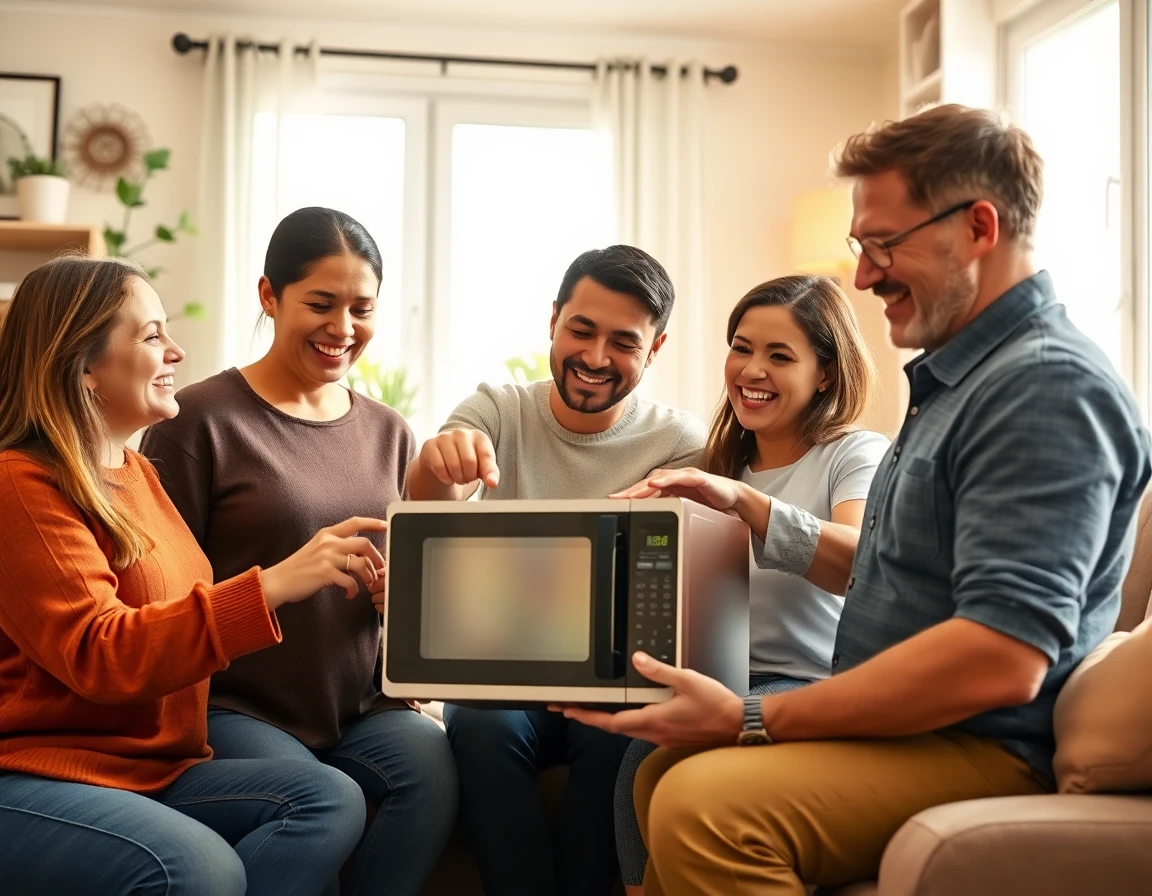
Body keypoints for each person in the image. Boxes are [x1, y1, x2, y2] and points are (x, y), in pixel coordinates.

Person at [560, 104, 1152, 896]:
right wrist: (741, 505)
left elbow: (1004, 656)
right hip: (914, 731)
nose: (866, 276)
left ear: (979, 227)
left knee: (705, 807)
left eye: (883, 244)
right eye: (859, 248)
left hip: (982, 744)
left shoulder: (1044, 387)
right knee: (658, 772)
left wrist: (750, 717)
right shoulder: (960, 382)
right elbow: (870, 570)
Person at [0, 255, 382, 895]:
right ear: (84, 364)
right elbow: (101, 653)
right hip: (42, 772)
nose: (176, 351)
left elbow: (173, 617)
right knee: (201, 868)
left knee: (328, 800)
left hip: (156, 768)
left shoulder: (134, 472)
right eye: (152, 335)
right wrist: (273, 584)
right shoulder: (20, 485)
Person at [140, 207, 457, 896]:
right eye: (321, 303)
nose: (343, 327)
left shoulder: (391, 432)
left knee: (432, 768)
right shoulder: (199, 421)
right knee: (320, 802)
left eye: (361, 309)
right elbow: (155, 592)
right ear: (269, 296)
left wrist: (400, 601)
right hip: (238, 706)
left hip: (364, 706)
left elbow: (406, 587)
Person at [406, 245, 707, 896]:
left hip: (613, 672)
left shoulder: (681, 444)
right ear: (553, 321)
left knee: (616, 736)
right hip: (500, 670)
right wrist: (438, 462)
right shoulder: (498, 409)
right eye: (581, 330)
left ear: (655, 350)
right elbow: (429, 508)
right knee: (481, 728)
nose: (595, 357)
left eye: (623, 343)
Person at [610, 273, 890, 894]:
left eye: (780, 356)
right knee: (635, 767)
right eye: (742, 347)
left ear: (825, 374)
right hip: (716, 675)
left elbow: (857, 560)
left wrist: (742, 502)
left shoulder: (854, 454)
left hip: (806, 681)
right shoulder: (718, 465)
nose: (752, 369)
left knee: (661, 766)